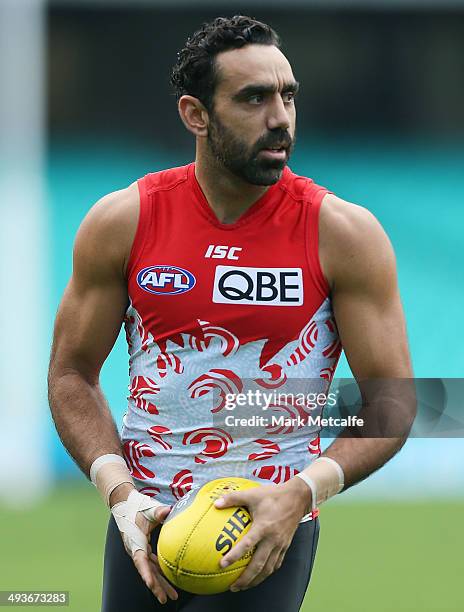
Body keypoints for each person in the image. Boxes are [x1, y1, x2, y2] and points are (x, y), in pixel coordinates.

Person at [48, 14, 415, 612]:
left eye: (287, 95)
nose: (280, 117)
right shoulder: (124, 221)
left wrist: (299, 494)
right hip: (148, 523)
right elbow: (71, 374)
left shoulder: (342, 233)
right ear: (196, 114)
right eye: (253, 98)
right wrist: (120, 495)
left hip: (271, 527)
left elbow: (394, 401)